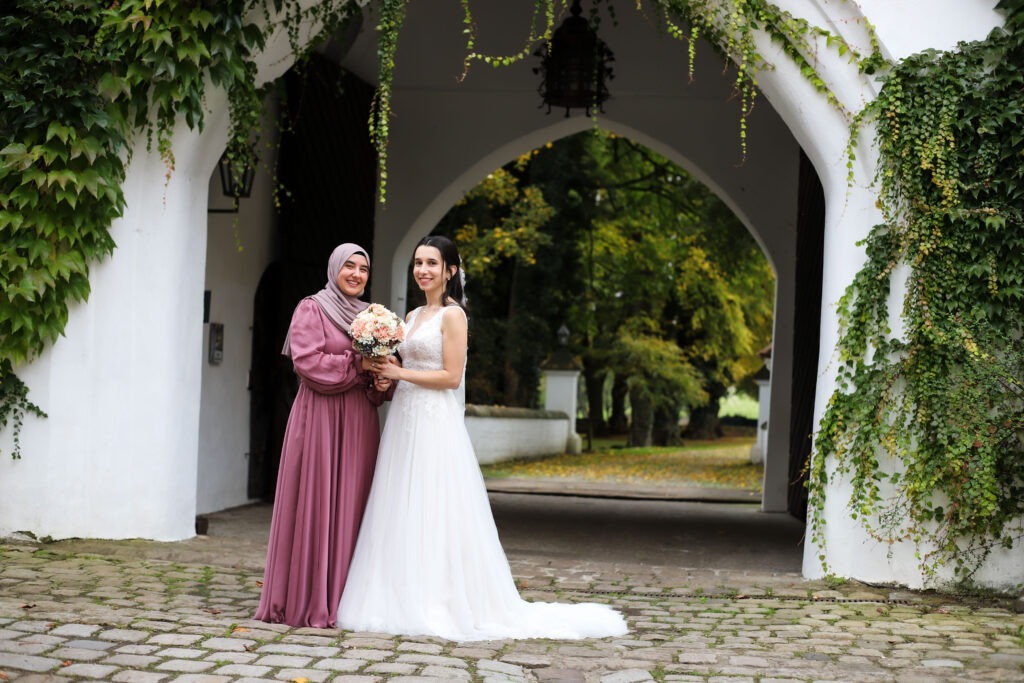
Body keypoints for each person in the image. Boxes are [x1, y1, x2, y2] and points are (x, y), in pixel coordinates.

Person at [338, 235, 628, 641]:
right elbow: (405, 361)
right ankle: (395, 591)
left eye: (431, 263)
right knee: (400, 499)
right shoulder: (415, 313)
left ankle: (438, 599)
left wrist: (400, 373)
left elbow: (451, 377)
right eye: (418, 262)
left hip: (434, 421)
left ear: (450, 271)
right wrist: (379, 361)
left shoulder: (454, 316)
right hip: (405, 417)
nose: (422, 270)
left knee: (433, 502)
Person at [255, 243, 394, 628]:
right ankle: (309, 597)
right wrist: (358, 362)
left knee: (353, 500)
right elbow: (309, 363)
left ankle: (348, 600)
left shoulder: (372, 316)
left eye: (363, 268)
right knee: (317, 498)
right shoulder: (311, 308)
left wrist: (382, 377)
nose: (356, 274)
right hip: (318, 418)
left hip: (359, 421)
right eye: (348, 266)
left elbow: (379, 378)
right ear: (334, 268)